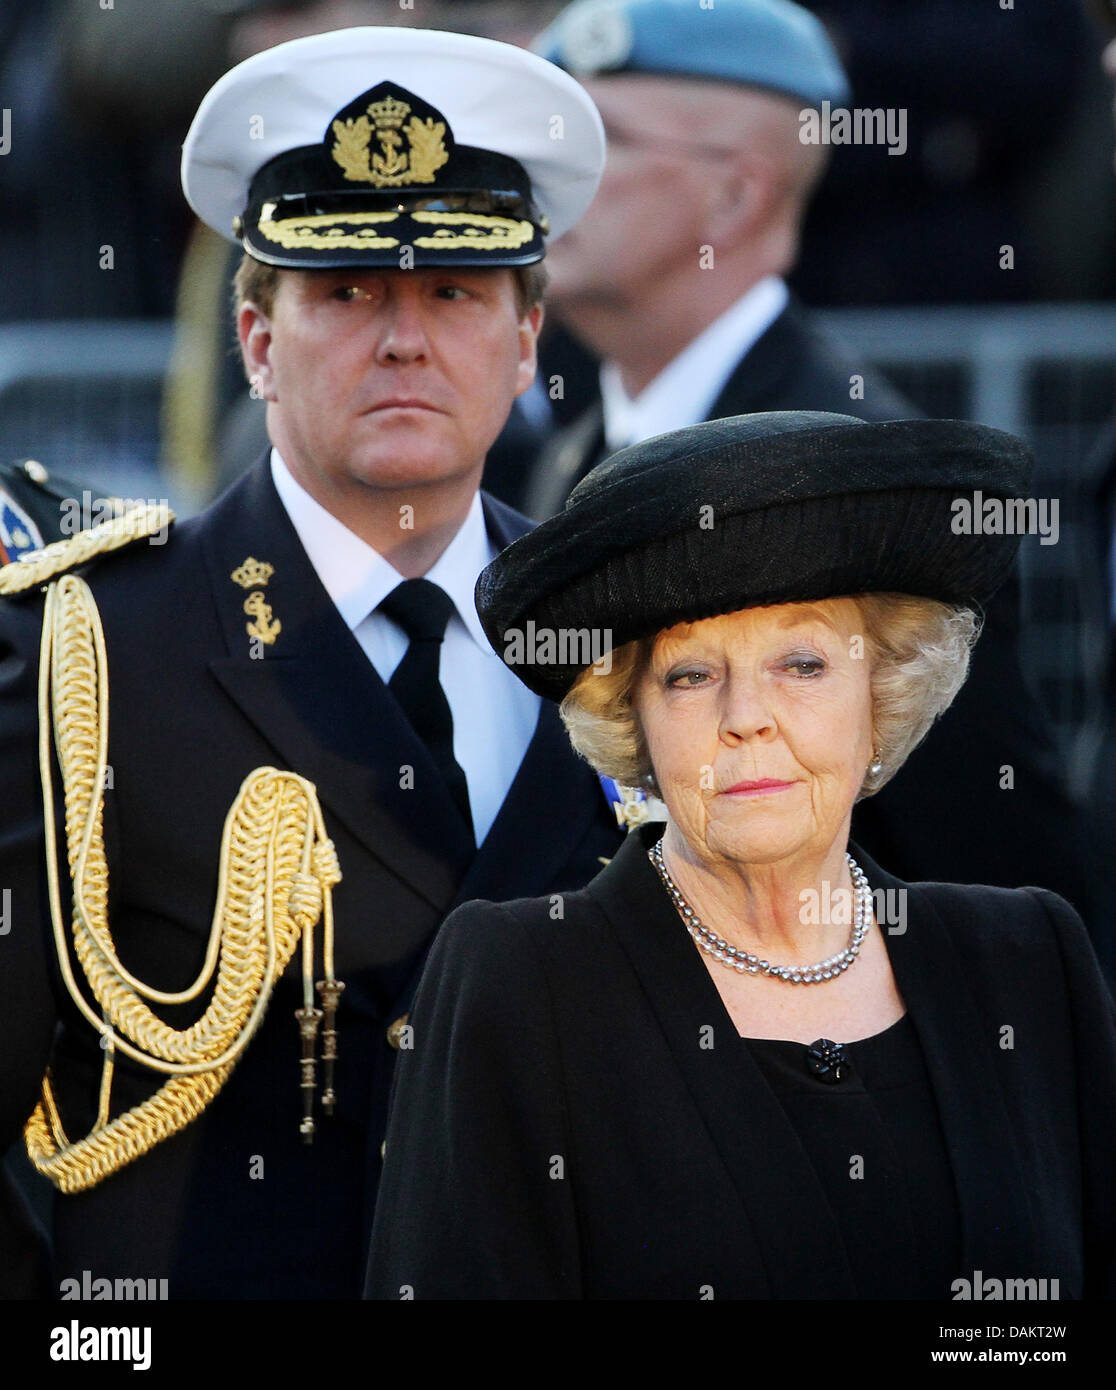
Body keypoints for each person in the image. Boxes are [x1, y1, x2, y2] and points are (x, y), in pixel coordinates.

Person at [0, 26, 623, 1298]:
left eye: (453, 292)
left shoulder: (626, 633)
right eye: (345, 292)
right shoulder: (86, 646)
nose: (403, 339)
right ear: (258, 340)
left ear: (524, 342)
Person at [367, 411, 1116, 1300]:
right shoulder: (522, 983)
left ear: (882, 692)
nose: (745, 716)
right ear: (632, 715)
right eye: (690, 674)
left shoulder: (1028, 962)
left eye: (802, 663)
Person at [520, 0, 914, 521]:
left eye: (605, 139)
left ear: (735, 199)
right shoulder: (571, 459)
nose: (547, 174)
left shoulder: (857, 482)